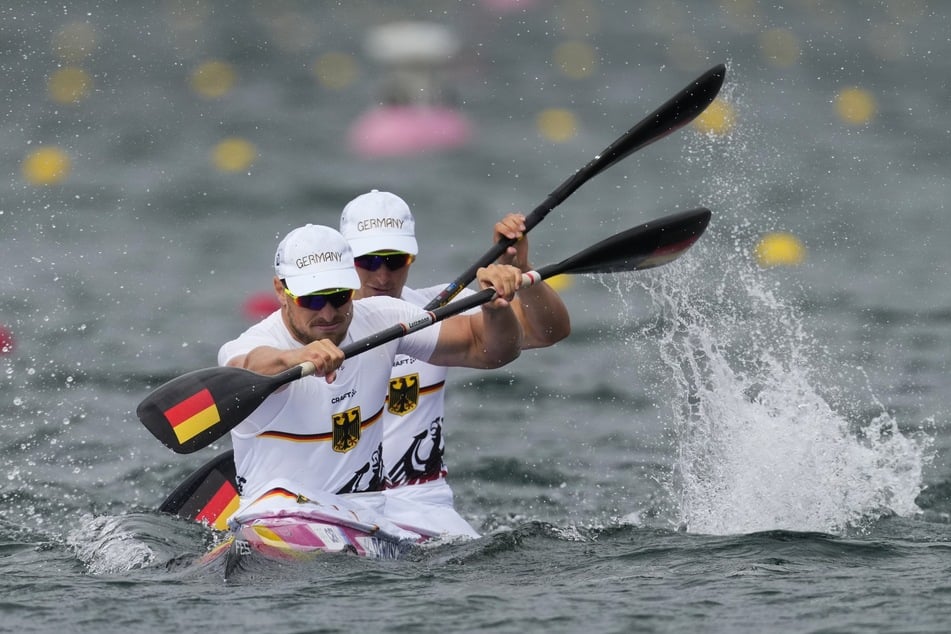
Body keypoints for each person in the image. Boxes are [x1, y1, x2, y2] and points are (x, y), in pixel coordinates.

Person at [216, 223, 526, 540]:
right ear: (280, 291)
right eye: (311, 300)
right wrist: (294, 358)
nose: (327, 313)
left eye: (338, 296)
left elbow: (489, 350)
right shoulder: (250, 345)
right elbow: (245, 368)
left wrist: (496, 309)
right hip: (274, 514)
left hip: (365, 514)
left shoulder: (382, 317)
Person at [340, 190, 571, 538]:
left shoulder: (437, 312)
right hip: (341, 506)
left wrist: (522, 272)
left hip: (423, 503)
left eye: (395, 260)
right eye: (369, 261)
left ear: (411, 258)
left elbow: (548, 332)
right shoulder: (315, 328)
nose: (383, 276)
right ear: (344, 261)